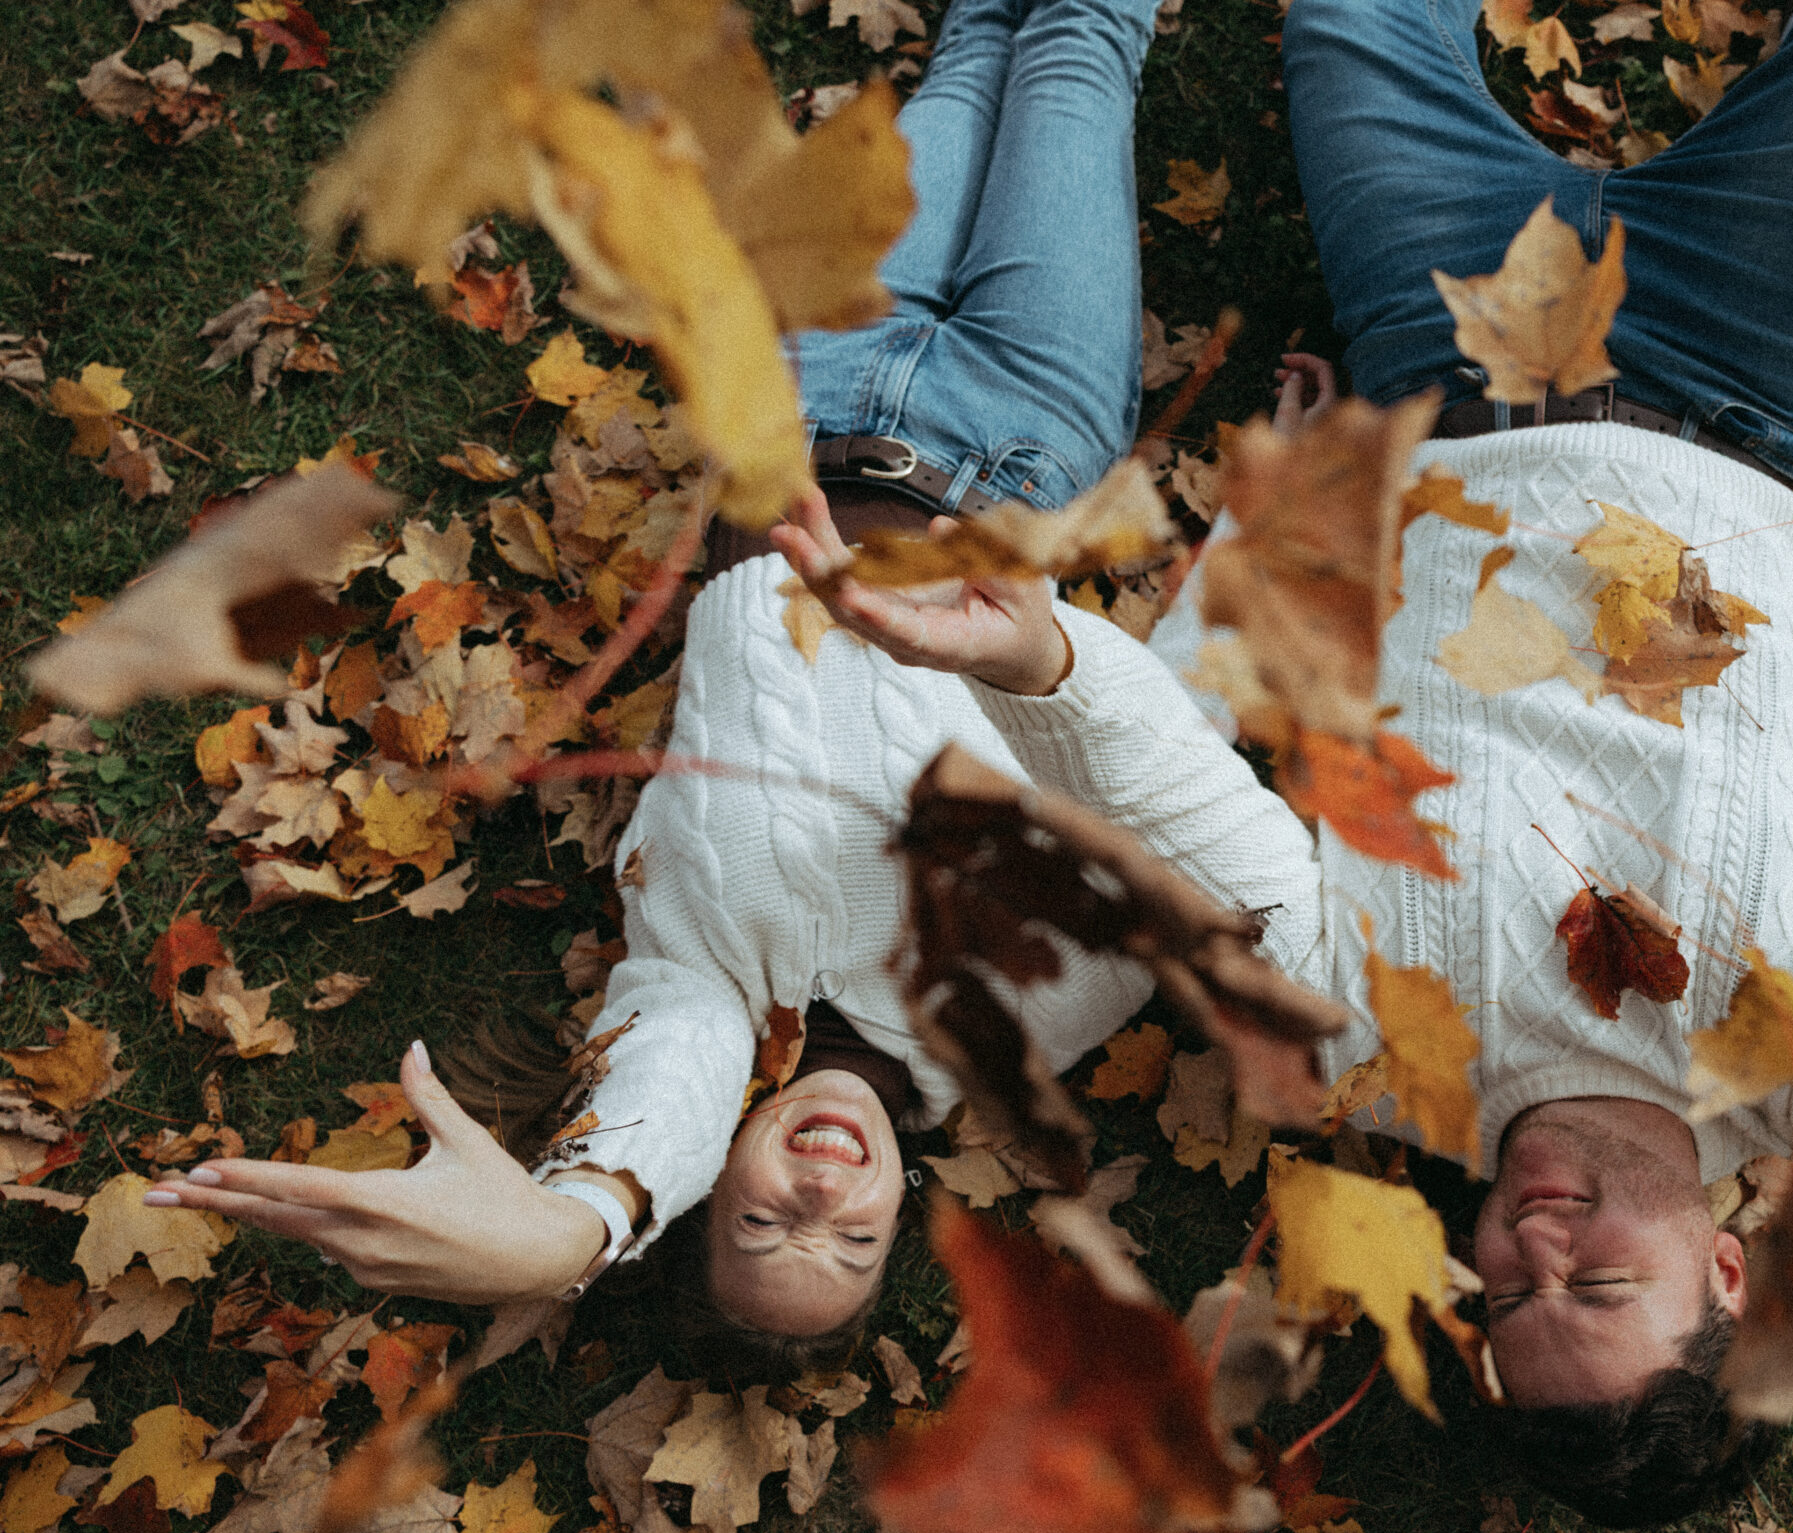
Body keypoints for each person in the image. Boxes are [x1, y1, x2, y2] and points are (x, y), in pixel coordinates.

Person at [773, 0, 1793, 1524]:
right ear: (1727, 1264)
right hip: (1759, 364)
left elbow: (1186, 827)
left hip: (1438, 338)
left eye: (1510, 1302)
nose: (1533, 1251)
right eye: (1599, 1282)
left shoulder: (1367, 1055)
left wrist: (1039, 663)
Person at [143, 0, 1193, 1377]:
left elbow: (656, 1117)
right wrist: (1255, 544)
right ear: (901, 1215)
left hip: (809, 400)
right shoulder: (1037, 1016)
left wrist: (569, 1234)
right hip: (1027, 438)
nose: (820, 1199)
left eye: (763, 1228)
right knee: (1077, 51)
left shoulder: (698, 995)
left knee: (977, 49)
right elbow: (1179, 761)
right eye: (852, 1244)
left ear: (714, 1186)